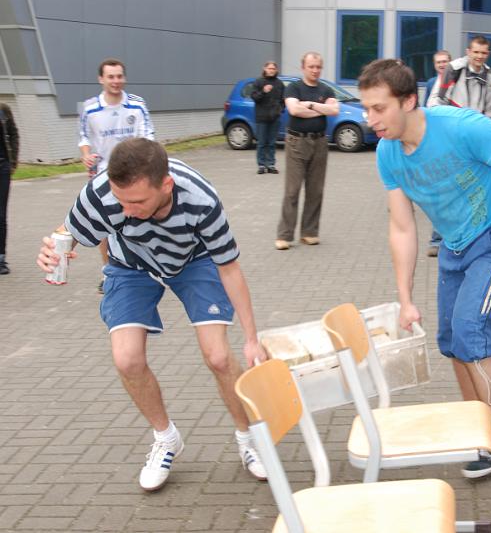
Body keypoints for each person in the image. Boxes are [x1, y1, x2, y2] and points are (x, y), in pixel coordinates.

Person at [358, 58, 491, 479]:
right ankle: (477, 423)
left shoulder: (461, 127)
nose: (370, 119)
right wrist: (405, 300)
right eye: (366, 109)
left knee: (472, 331)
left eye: (379, 108)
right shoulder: (387, 154)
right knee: (451, 341)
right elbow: (402, 228)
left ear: (408, 101)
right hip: (456, 243)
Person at [35, 138, 269, 492]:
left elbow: (230, 268)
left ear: (166, 185)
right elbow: (65, 233)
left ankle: (248, 438)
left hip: (193, 260)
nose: (127, 210)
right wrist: (52, 251)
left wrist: (252, 338)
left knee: (219, 357)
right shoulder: (102, 193)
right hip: (130, 264)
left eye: (138, 202)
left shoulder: (201, 200)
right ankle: (166, 439)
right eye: (121, 201)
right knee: (126, 359)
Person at [79, 58, 155, 293]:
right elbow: (84, 138)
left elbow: (148, 136)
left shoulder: (137, 105)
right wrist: (86, 155)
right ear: (101, 79)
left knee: (138, 220)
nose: (116, 81)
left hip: (134, 177)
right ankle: (108, 271)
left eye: (119, 76)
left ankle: (143, 268)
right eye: (111, 77)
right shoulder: (90, 108)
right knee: (104, 225)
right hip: (103, 176)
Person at [426, 36, 491, 257]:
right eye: (476, 52)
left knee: (473, 190)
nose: (479, 56)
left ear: (488, 54)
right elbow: (436, 102)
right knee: (446, 189)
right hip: (451, 138)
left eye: (483, 53)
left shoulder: (490, 76)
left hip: (475, 142)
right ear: (468, 51)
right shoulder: (453, 69)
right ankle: (437, 240)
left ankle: (468, 240)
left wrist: (485, 135)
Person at [275, 51, 339, 250]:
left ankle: (309, 232)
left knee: (315, 190)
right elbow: (294, 110)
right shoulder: (293, 88)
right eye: (311, 66)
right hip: (297, 142)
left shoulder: (326, 89)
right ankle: (285, 235)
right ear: (303, 67)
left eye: (318, 67)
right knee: (292, 190)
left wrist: (310, 105)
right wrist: (320, 109)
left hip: (319, 143)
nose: (315, 70)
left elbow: (334, 110)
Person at [251, 61, 285, 175]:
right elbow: (254, 97)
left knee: (272, 143)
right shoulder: (258, 82)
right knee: (261, 142)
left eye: (273, 69)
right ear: (264, 69)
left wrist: (280, 110)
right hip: (261, 117)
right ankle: (261, 165)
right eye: (269, 68)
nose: (271, 70)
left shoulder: (279, 83)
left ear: (276, 70)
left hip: (274, 117)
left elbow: (283, 99)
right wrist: (263, 91)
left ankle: (271, 165)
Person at [0, 103, 19, 275]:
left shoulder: (3, 109)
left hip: (2, 168)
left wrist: (12, 161)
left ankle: (1, 258)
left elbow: (13, 134)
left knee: (1, 215)